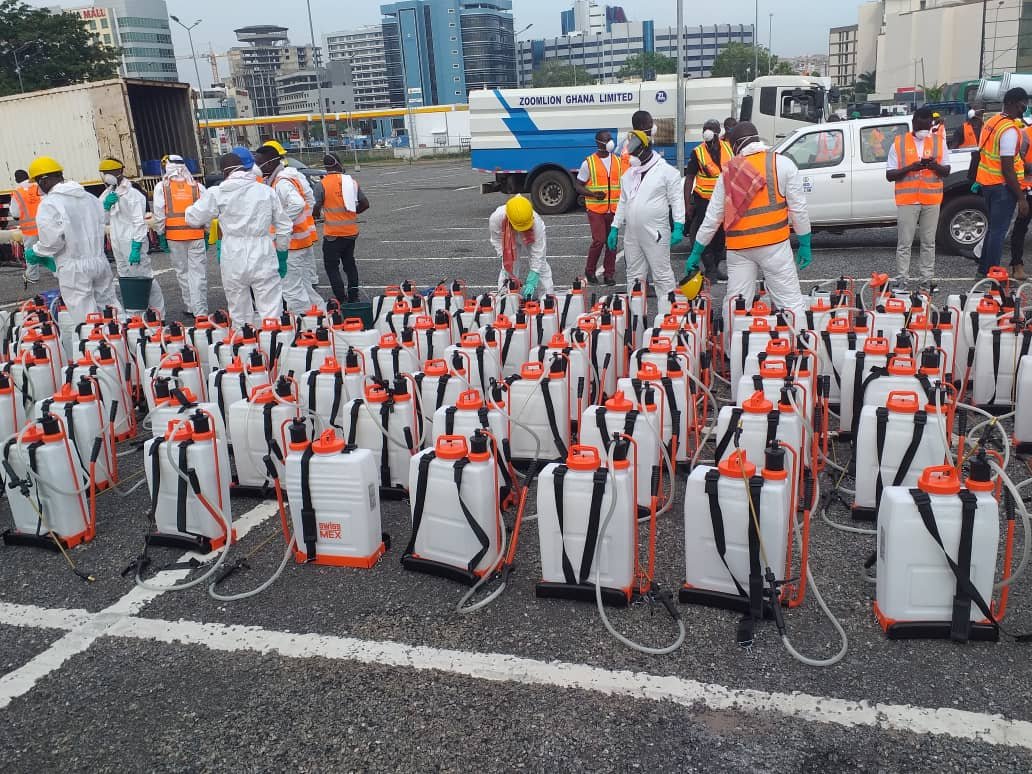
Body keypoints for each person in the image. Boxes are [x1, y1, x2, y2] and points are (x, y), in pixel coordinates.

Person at [685, 121, 811, 329]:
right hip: (774, 245)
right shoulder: (781, 164)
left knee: (736, 303)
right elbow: (799, 209)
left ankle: (732, 344)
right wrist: (805, 242)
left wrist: (696, 251)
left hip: (739, 249)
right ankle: (800, 343)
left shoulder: (728, 173)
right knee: (790, 302)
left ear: (735, 145)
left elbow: (712, 218)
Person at [185, 150, 292, 328]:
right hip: (262, 250)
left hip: (233, 253)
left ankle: (244, 340)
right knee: (271, 309)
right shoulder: (265, 191)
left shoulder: (217, 193)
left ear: (225, 172)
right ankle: (274, 341)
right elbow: (284, 225)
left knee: (239, 311)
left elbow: (192, 218)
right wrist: (282, 253)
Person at [23, 156, 119, 325]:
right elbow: (101, 221)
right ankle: (127, 338)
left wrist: (36, 252)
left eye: (37, 182)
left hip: (74, 269)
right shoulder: (89, 197)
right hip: (99, 262)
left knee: (87, 320)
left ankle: (97, 342)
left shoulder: (49, 204)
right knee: (111, 310)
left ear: (44, 180)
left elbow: (52, 241)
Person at [607, 129, 685, 306]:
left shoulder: (666, 172)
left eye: (634, 153)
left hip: (655, 232)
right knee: (634, 276)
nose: (631, 156)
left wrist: (679, 225)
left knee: (661, 274)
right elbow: (623, 202)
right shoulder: (629, 175)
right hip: (632, 234)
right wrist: (614, 227)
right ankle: (636, 318)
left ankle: (667, 315)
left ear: (645, 149)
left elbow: (677, 200)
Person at [253, 141, 323, 312]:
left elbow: (297, 204)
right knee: (305, 287)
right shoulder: (288, 177)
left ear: (270, 163)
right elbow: (308, 201)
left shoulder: (281, 182)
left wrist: (281, 223)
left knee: (292, 290)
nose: (257, 168)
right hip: (300, 240)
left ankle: (304, 321)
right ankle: (321, 315)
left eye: (259, 163)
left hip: (292, 244)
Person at [885, 107, 950, 290]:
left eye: (927, 126)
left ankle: (926, 280)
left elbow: (946, 170)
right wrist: (910, 168)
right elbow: (890, 174)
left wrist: (934, 165)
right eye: (921, 125)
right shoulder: (899, 143)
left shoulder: (939, 142)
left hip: (931, 199)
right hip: (907, 200)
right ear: (914, 122)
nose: (924, 129)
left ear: (931, 124)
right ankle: (902, 279)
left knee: (929, 242)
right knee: (904, 243)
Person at [974, 86, 1029, 278]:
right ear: (1012, 103)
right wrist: (1021, 198)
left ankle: (983, 271)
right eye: (1022, 106)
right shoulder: (1009, 130)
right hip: (1003, 187)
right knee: (998, 233)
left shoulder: (992, 121)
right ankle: (993, 276)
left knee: (992, 230)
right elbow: (1007, 167)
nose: (1024, 110)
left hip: (988, 184)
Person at [100, 157, 165, 317]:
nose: (106, 176)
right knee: (127, 280)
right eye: (103, 172)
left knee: (144, 278)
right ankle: (136, 315)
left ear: (119, 171)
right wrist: (105, 207)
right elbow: (102, 219)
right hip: (117, 242)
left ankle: (158, 314)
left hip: (132, 242)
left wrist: (136, 246)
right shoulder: (108, 193)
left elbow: (138, 222)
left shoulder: (133, 194)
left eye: (109, 172)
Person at [152, 153, 208, 318]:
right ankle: (201, 311)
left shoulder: (162, 187)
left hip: (174, 237)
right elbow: (206, 211)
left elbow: (159, 214)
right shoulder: (197, 187)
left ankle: (190, 306)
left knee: (183, 273)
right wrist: (206, 231)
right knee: (198, 274)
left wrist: (160, 233)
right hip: (196, 235)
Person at [683, 119, 731, 282]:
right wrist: (687, 204)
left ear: (718, 133)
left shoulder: (729, 148)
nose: (707, 133)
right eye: (705, 129)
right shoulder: (697, 152)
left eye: (710, 129)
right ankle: (710, 269)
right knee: (705, 236)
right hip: (704, 201)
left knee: (720, 238)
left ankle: (715, 267)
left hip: (724, 201)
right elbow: (689, 179)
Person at [318, 153, 369, 303]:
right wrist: (352, 212)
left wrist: (317, 215)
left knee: (332, 267)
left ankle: (341, 298)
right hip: (350, 232)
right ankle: (354, 296)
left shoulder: (322, 184)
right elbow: (365, 203)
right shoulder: (351, 182)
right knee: (349, 264)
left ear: (326, 166)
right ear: (338, 163)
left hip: (333, 235)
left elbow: (315, 206)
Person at [573, 129, 622, 285]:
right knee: (599, 240)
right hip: (596, 210)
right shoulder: (588, 163)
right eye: (606, 140)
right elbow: (578, 186)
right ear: (598, 143)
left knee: (612, 242)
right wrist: (593, 194)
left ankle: (609, 274)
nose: (610, 142)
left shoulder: (618, 161)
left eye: (610, 139)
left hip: (613, 210)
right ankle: (590, 270)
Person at [489, 195, 552, 298]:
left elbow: (538, 253)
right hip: (509, 236)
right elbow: (497, 240)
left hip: (530, 235)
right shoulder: (497, 218)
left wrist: (533, 277)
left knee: (541, 267)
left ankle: (547, 298)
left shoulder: (536, 223)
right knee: (509, 267)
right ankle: (505, 299)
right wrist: (505, 257)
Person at [1008, 118, 1032, 281]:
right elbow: (1015, 162)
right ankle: (1017, 266)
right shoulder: (1026, 135)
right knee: (1020, 228)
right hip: (1027, 189)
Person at [9, 169, 43, 284]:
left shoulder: (17, 192)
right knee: (53, 249)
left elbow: (15, 214)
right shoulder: (39, 186)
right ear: (28, 176)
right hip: (45, 225)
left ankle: (33, 276)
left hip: (29, 229)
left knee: (30, 252)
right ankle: (60, 273)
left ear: (16, 180)